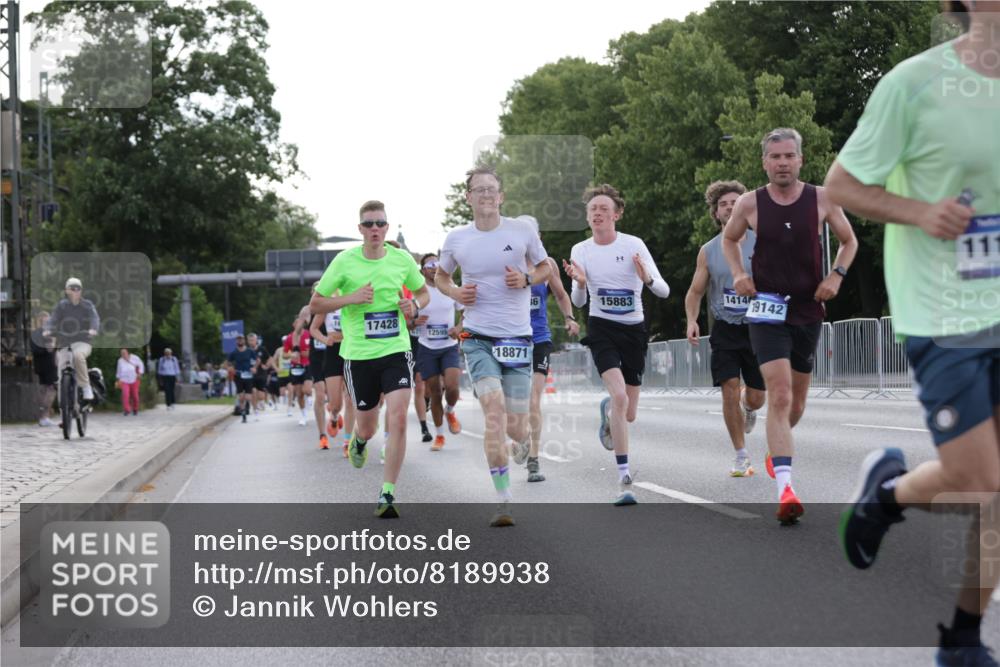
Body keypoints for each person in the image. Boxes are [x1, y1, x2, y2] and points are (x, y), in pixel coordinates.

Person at [825, 3, 1000, 661]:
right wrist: (920, 211)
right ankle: (887, 494)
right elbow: (841, 185)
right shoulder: (913, 83)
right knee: (979, 481)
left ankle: (961, 639)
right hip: (942, 312)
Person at [723, 127, 857, 524]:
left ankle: (773, 450)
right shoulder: (750, 204)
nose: (782, 163)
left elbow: (849, 242)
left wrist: (836, 277)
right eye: (775, 157)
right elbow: (730, 241)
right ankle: (785, 488)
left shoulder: (823, 198)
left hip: (807, 308)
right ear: (764, 162)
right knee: (779, 396)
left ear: (800, 159)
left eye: (789, 156)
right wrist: (737, 273)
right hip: (766, 309)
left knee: (796, 404)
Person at [436, 166, 551, 527]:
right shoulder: (456, 238)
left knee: (517, 427)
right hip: (478, 338)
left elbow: (546, 268)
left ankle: (522, 443)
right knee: (494, 413)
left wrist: (528, 278)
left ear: (501, 197)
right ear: (468, 197)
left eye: (492, 190)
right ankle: (503, 500)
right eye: (478, 190)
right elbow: (440, 275)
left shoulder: (522, 230)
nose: (486, 195)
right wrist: (455, 292)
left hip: (517, 337)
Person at [310, 200, 430, 519]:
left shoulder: (402, 259)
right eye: (369, 224)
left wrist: (414, 308)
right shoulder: (344, 262)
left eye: (380, 223)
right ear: (360, 229)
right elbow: (316, 303)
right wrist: (351, 298)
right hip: (359, 357)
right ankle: (360, 442)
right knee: (368, 425)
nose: (375, 229)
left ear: (387, 227)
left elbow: (423, 293)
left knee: (399, 417)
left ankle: (387, 493)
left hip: (395, 350)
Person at [564, 184, 671, 506]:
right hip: (601, 328)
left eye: (603, 208)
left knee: (629, 412)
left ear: (617, 214)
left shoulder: (633, 244)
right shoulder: (580, 249)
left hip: (633, 330)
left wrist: (647, 278)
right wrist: (581, 284)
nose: (597, 213)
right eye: (592, 209)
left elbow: (663, 290)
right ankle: (624, 476)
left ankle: (609, 412)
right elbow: (578, 300)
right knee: (621, 396)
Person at [685, 180, 767, 476]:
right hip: (726, 329)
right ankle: (741, 455)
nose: (730, 207)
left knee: (756, 397)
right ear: (716, 213)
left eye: (736, 202)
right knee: (728, 389)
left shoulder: (762, 242)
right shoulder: (708, 251)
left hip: (759, 327)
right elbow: (695, 291)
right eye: (724, 204)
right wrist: (692, 320)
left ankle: (749, 406)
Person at [518, 216, 580, 482]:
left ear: (539, 237)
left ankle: (533, 459)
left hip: (539, 338)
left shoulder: (548, 264)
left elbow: (562, 295)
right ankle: (518, 436)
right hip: (511, 339)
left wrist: (569, 317)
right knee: (513, 402)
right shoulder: (505, 264)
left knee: (533, 399)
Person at [413, 253, 464, 451]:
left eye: (438, 263)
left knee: (452, 386)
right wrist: (413, 322)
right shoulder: (420, 292)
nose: (435, 267)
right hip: (426, 347)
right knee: (434, 392)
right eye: (430, 264)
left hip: (448, 346)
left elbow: (466, 312)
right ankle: (440, 436)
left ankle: (450, 410)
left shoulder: (451, 287)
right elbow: (408, 322)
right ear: (423, 270)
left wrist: (458, 328)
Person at [310, 295, 355, 457]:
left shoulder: (353, 297)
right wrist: (324, 339)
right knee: (335, 403)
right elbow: (313, 328)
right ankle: (334, 416)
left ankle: (347, 442)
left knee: (350, 399)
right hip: (333, 353)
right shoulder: (328, 302)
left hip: (351, 350)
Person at [43, 277, 99, 401]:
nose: (75, 291)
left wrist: (93, 329)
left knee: (78, 356)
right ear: (67, 291)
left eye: (78, 288)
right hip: (65, 342)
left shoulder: (87, 305)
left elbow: (94, 318)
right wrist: (48, 329)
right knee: (60, 371)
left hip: (83, 341)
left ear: (81, 291)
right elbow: (53, 319)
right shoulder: (62, 306)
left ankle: (85, 387)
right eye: (72, 288)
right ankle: (64, 410)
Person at [30, 311, 58, 426]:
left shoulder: (35, 333)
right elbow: (40, 349)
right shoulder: (44, 333)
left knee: (43, 389)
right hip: (48, 365)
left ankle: (42, 417)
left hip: (40, 365)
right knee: (51, 389)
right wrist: (48, 349)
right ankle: (44, 417)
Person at [283, 316, 311, 426]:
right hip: (295, 367)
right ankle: (304, 415)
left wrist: (304, 353)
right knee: (299, 394)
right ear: (294, 325)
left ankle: (309, 397)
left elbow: (313, 351)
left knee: (307, 390)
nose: (299, 324)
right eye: (296, 322)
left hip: (308, 365)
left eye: (300, 322)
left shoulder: (309, 334)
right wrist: (291, 354)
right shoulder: (289, 338)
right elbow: (285, 354)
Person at [227, 334, 258, 423]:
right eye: (238, 340)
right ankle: (243, 413)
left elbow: (257, 360)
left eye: (241, 339)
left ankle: (247, 405)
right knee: (241, 396)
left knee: (248, 397)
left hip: (248, 375)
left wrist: (254, 368)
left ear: (244, 341)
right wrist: (231, 368)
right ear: (236, 341)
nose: (240, 341)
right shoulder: (234, 353)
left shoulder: (250, 351)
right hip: (238, 375)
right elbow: (228, 363)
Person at [247, 333, 270, 414]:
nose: (251, 342)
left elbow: (269, 359)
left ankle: (261, 402)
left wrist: (267, 366)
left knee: (260, 395)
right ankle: (255, 409)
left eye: (253, 340)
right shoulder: (247, 351)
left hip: (261, 374)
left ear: (256, 341)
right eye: (249, 340)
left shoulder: (262, 349)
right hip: (250, 375)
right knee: (253, 391)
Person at [116, 348, 142, 416]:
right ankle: (127, 410)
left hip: (134, 379)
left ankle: (135, 409)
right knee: (125, 395)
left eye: (124, 353)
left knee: (135, 396)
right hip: (124, 380)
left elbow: (141, 365)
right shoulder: (120, 361)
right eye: (122, 353)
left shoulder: (134, 358)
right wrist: (118, 379)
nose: (123, 354)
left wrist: (140, 373)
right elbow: (118, 371)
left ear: (127, 352)